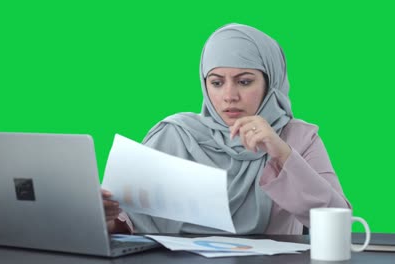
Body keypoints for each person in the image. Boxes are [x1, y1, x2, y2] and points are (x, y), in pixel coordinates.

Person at [102, 23, 350, 235]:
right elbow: (128, 223)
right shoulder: (175, 135)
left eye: (244, 81)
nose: (229, 96)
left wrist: (283, 154)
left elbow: (339, 223)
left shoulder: (298, 137)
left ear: (270, 81)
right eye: (217, 82)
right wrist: (108, 219)